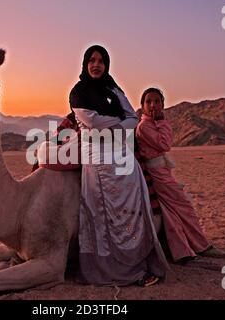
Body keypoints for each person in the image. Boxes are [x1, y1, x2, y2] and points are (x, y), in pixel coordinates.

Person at [69, 46, 168, 287]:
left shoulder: (113, 88)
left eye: (101, 61)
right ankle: (108, 268)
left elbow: (133, 118)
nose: (96, 65)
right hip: (97, 157)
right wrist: (119, 123)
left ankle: (135, 261)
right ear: (85, 64)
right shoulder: (79, 92)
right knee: (104, 211)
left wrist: (111, 125)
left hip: (121, 154)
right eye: (92, 60)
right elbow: (91, 120)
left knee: (133, 202)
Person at [135, 87, 225, 264]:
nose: (153, 105)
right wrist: (161, 122)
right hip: (157, 175)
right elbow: (165, 144)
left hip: (163, 173)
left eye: (157, 101)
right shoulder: (144, 126)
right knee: (185, 207)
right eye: (148, 102)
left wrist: (160, 122)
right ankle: (203, 246)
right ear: (142, 106)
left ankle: (183, 251)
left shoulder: (154, 124)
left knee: (171, 213)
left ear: (163, 104)